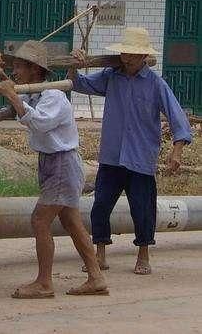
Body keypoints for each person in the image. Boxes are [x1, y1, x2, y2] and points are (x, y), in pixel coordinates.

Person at [0, 41, 108, 298]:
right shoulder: (35, 92)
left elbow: (39, 121)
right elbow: (18, 93)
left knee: (40, 219)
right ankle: (96, 277)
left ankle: (44, 282)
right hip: (52, 162)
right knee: (71, 222)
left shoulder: (53, 95)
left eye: (19, 66)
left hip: (62, 163)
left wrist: (10, 94)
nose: (16, 71)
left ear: (34, 69)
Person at [68, 27, 192, 275]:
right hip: (112, 157)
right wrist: (75, 64)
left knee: (143, 209)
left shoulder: (156, 84)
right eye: (126, 52)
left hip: (140, 158)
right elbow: (77, 83)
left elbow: (179, 120)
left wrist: (176, 152)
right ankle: (99, 255)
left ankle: (143, 254)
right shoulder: (110, 76)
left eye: (134, 54)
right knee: (101, 205)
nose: (128, 57)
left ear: (144, 56)